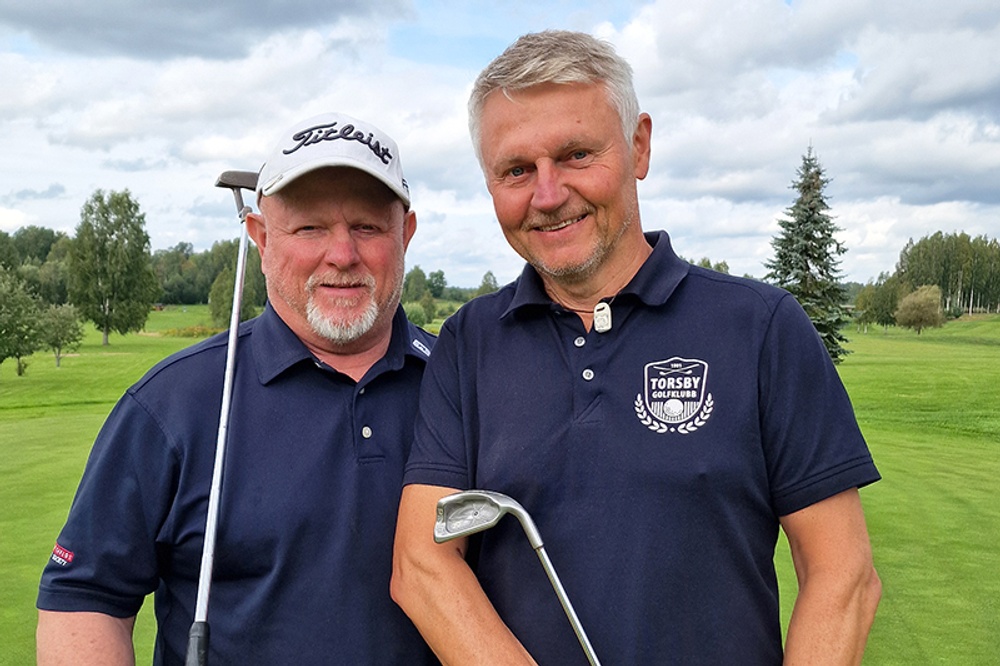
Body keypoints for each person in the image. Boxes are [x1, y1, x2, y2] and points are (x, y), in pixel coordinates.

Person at [391, 30, 882, 665]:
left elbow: (843, 576)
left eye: (575, 155)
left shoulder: (762, 328)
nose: (547, 194)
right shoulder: (467, 343)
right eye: (517, 170)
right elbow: (422, 563)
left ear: (638, 145)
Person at [37, 112, 437, 665]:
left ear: (406, 234)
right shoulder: (172, 404)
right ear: (261, 236)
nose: (342, 254)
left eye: (368, 226)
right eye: (310, 228)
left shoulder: (464, 385)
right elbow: (84, 598)